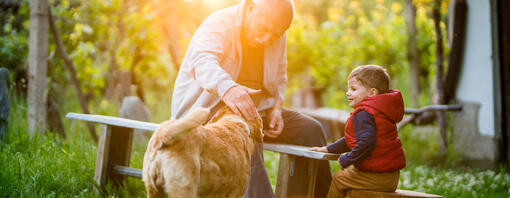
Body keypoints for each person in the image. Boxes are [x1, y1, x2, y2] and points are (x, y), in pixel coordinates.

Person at [170, 0, 332, 197]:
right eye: (264, 29)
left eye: (274, 35)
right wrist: (229, 89)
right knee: (244, 128)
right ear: (250, 7)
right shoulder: (218, 23)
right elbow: (202, 63)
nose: (266, 38)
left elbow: (280, 76)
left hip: (257, 112)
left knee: (310, 130)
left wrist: (276, 107)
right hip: (206, 114)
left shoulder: (275, 32)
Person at [310, 65, 406, 198]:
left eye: (353, 89)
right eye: (348, 89)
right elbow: (353, 139)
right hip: (390, 177)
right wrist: (328, 149)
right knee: (350, 177)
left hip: (376, 176)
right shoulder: (380, 111)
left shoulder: (364, 114)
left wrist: (347, 158)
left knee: (339, 179)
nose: (348, 93)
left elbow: (367, 142)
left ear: (372, 92)